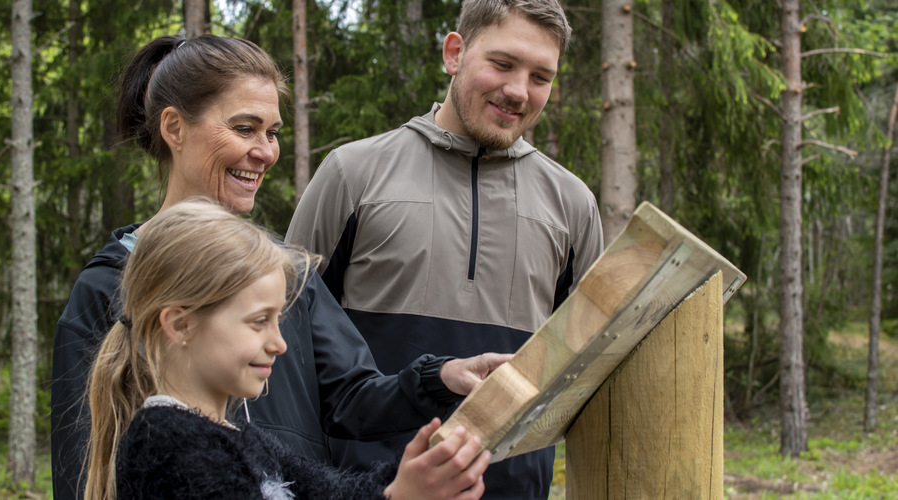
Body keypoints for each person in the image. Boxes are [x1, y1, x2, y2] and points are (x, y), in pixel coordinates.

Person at [50, 34, 509, 500]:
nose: (266, 152)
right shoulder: (109, 286)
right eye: (245, 128)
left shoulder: (285, 273)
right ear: (174, 127)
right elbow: (81, 468)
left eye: (272, 133)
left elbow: (351, 398)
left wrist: (442, 378)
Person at [285, 1, 605, 498]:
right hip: (369, 488)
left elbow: (584, 369)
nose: (519, 91)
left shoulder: (574, 205)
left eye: (541, 76)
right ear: (454, 53)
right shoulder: (353, 174)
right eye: (502, 64)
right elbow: (289, 343)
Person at [84, 198, 491, 500]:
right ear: (180, 323)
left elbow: (335, 495)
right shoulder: (169, 446)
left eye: (279, 320)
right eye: (259, 321)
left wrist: (417, 473)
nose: (279, 344)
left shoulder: (233, 432)